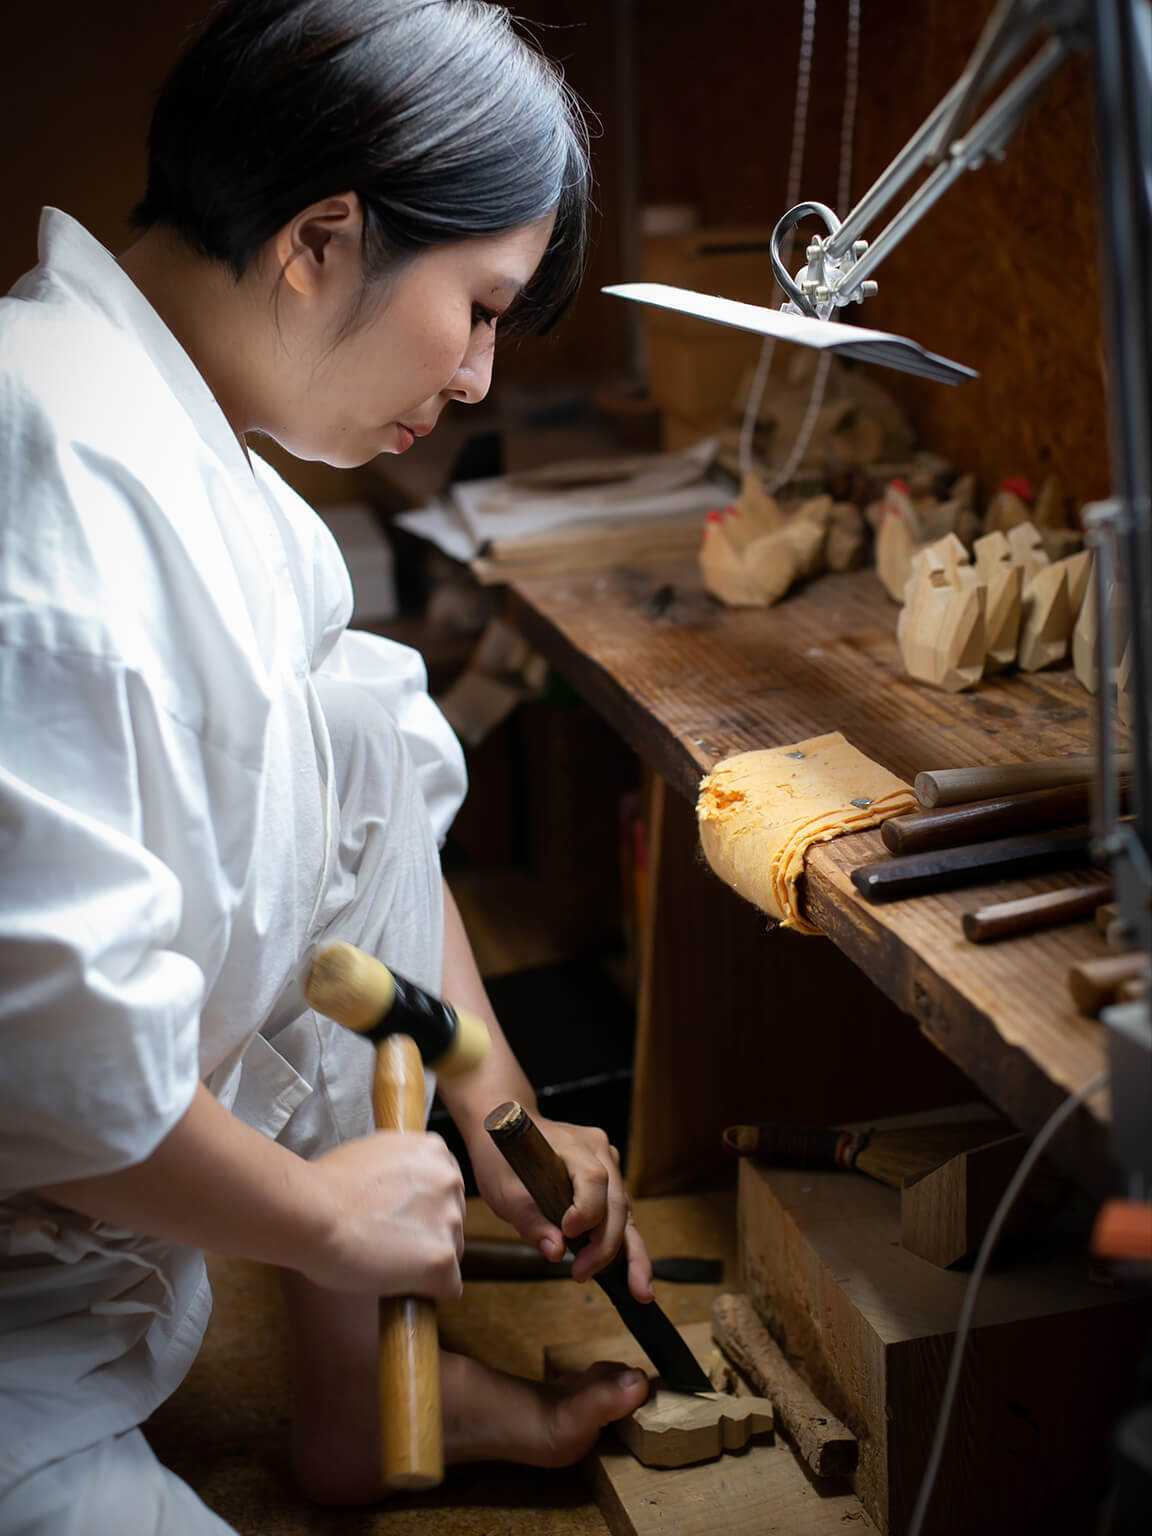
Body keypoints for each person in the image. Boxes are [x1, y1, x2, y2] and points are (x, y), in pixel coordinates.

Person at [0, 2, 654, 1530]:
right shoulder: (44, 465)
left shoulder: (213, 479)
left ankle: (363, 1413)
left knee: (345, 734)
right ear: (322, 241)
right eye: (481, 306)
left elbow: (372, 801)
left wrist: (491, 1092)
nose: (483, 374)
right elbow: (38, 1035)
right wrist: (314, 1217)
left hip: (86, 1273)